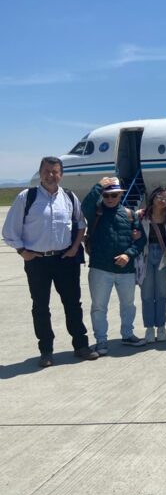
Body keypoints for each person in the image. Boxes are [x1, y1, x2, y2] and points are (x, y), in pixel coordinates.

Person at [2, 156, 98, 367]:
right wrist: (22, 251)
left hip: (65, 260)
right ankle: (46, 351)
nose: (51, 175)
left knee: (73, 304)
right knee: (40, 307)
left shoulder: (70, 198)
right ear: (40, 172)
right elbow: (9, 231)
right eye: (47, 171)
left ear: (61, 174)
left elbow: (81, 224)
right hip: (37, 261)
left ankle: (81, 346)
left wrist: (74, 248)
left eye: (55, 172)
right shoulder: (26, 198)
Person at [82, 177, 147, 354]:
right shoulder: (95, 213)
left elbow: (141, 240)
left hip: (125, 270)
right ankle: (101, 341)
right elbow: (85, 204)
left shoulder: (129, 214)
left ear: (120, 195)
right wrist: (98, 186)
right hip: (100, 269)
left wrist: (128, 254)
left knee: (128, 304)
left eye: (114, 195)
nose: (110, 198)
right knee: (99, 306)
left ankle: (127, 334)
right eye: (107, 195)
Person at [137, 187, 166, 343]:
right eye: (159, 197)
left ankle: (161, 327)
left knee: (161, 293)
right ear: (153, 197)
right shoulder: (142, 215)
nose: (162, 201)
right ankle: (149, 328)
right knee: (146, 294)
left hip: (162, 256)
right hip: (145, 255)